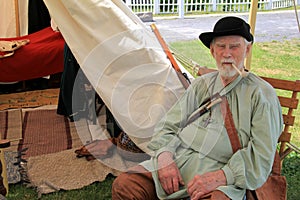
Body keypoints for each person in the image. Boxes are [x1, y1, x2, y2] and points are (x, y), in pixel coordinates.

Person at [111, 16, 283, 200]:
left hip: (222, 172)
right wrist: (165, 157)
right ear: (212, 51)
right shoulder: (201, 85)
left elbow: (261, 155)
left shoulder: (262, 95)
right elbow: (168, 126)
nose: (227, 54)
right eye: (221, 47)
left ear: (247, 49)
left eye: (234, 46)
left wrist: (221, 177)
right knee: (125, 185)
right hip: (179, 160)